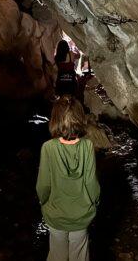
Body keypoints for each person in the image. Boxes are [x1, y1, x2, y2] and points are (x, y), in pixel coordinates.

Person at [36, 95, 100, 261]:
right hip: (81, 216)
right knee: (79, 255)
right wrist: (94, 203)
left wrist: (43, 202)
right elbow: (91, 183)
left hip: (56, 215)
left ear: (55, 119)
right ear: (80, 118)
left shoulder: (48, 148)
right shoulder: (87, 146)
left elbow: (43, 186)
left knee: (57, 254)